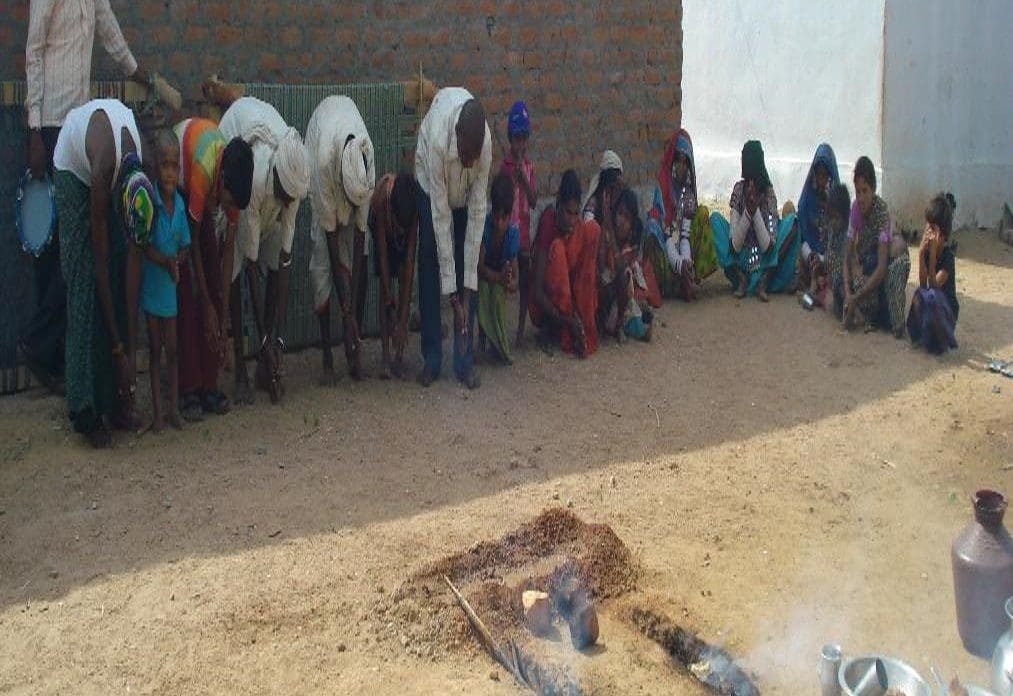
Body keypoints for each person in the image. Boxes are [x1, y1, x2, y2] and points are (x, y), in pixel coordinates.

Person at [22, 0, 151, 394]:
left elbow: (108, 29)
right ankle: (41, 350)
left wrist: (135, 70)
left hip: (80, 129)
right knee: (56, 252)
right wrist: (33, 130)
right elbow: (33, 52)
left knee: (73, 251)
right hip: (50, 127)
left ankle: (57, 353)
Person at [53, 99, 155, 448]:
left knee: (119, 265)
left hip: (106, 173)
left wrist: (130, 346)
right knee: (84, 284)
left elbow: (132, 263)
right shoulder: (103, 171)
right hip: (73, 170)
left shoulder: (143, 170)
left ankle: (116, 402)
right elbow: (98, 264)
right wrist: (118, 346)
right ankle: (85, 411)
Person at [215, 94, 310, 404]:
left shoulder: (292, 187)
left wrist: (277, 340)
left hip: (267, 188)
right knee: (237, 266)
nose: (287, 203)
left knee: (273, 262)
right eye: (284, 196)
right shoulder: (256, 179)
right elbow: (251, 268)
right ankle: (242, 366)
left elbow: (282, 264)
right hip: (237, 159)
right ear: (276, 179)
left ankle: (264, 364)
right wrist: (263, 338)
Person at [173, 117, 254, 421]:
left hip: (201, 201)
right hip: (181, 191)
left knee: (214, 295)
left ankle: (209, 384)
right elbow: (190, 242)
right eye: (226, 200)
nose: (226, 206)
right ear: (222, 182)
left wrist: (219, 311)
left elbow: (228, 251)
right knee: (188, 294)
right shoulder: (204, 173)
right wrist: (206, 304)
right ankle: (189, 389)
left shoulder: (234, 185)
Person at [414, 87, 492, 389]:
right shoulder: (437, 142)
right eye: (465, 156)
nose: (470, 163)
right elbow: (441, 218)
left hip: (463, 198)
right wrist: (454, 302)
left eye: (474, 158)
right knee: (432, 259)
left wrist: (466, 296)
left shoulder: (483, 147)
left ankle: (463, 360)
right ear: (457, 134)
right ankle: (432, 359)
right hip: (432, 188)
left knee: (464, 263)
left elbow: (475, 220)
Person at [306, 96, 377, 383]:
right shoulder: (324, 162)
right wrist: (343, 310)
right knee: (323, 262)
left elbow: (359, 239)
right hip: (320, 136)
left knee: (360, 259)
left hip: (344, 134)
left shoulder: (366, 156)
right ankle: (327, 355)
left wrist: (352, 317)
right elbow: (333, 240)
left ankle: (353, 346)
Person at [141, 131, 189, 432]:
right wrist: (167, 263)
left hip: (169, 288)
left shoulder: (180, 206)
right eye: (164, 166)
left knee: (172, 349)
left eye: (174, 166)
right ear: (156, 168)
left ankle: (173, 409)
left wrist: (178, 263)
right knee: (155, 349)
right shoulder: (150, 203)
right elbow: (143, 246)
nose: (169, 172)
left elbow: (185, 245)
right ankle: (157, 412)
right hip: (152, 286)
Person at [711, 140, 799, 301]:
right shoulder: (739, 190)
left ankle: (765, 280)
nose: (751, 184)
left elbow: (768, 246)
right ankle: (741, 279)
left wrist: (755, 211)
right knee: (715, 220)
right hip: (740, 258)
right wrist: (747, 213)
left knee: (792, 221)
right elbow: (735, 246)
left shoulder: (769, 194)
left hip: (765, 259)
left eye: (754, 178)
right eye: (748, 178)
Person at [529, 169, 601, 357]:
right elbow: (537, 292)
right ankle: (566, 328)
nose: (571, 219)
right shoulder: (548, 223)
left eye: (575, 213)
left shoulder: (576, 227)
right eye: (568, 213)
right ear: (558, 205)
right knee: (558, 249)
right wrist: (566, 320)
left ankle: (584, 323)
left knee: (592, 230)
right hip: (546, 309)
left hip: (569, 306)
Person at [837, 156, 909, 334]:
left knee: (878, 302)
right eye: (857, 191)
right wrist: (848, 292)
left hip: (874, 267)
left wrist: (856, 296)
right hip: (862, 266)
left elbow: (882, 267)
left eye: (865, 191)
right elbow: (847, 257)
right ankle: (859, 310)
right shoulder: (855, 210)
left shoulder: (882, 214)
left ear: (873, 190)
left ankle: (864, 312)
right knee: (839, 283)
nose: (860, 198)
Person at [644, 128, 717, 301]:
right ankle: (668, 284)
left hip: (684, 251)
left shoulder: (688, 193)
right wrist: (678, 263)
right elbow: (668, 234)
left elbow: (684, 235)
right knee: (652, 227)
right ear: (672, 161)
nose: (682, 167)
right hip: (666, 250)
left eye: (686, 162)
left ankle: (689, 278)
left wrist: (686, 262)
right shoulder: (662, 189)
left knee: (703, 213)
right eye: (678, 161)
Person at [371, 172, 419, 380]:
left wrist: (402, 321)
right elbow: (383, 258)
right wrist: (390, 304)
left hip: (400, 241)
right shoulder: (382, 200)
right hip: (381, 233)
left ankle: (399, 353)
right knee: (385, 290)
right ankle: (385, 356)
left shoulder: (413, 210)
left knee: (402, 276)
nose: (401, 230)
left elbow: (409, 267)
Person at [501, 101, 536, 348]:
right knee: (504, 282)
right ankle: (498, 330)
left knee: (524, 282)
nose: (520, 145)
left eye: (524, 139)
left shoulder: (529, 168)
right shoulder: (504, 167)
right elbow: (501, 199)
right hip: (506, 235)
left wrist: (524, 178)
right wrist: (514, 176)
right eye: (517, 139)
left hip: (524, 236)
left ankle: (521, 331)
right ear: (510, 139)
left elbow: (533, 200)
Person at [476, 172, 520, 364]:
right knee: (484, 290)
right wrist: (499, 278)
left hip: (498, 279)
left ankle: (498, 342)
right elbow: (479, 268)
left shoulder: (512, 235)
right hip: (484, 277)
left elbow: (515, 280)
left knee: (497, 294)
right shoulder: (484, 228)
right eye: (496, 216)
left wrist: (509, 281)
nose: (499, 222)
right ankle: (483, 336)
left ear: (510, 216)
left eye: (504, 218)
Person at [907, 193, 959, 354]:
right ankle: (919, 335)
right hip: (932, 305)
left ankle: (941, 341)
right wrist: (922, 254)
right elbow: (923, 287)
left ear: (942, 235)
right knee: (919, 295)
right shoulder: (927, 251)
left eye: (932, 229)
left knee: (933, 297)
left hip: (946, 310)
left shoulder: (948, 257)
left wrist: (932, 258)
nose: (928, 233)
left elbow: (934, 287)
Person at [796, 144, 840, 304]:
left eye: (825, 175)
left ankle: (812, 292)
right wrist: (810, 255)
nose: (821, 179)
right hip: (808, 257)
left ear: (830, 175)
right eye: (818, 174)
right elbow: (801, 233)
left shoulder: (836, 202)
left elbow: (838, 240)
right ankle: (811, 286)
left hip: (828, 261)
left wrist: (823, 259)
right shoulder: (807, 199)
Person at [614, 188, 658, 342]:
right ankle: (623, 327)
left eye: (627, 218)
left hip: (627, 299)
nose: (621, 221)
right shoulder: (607, 239)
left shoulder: (629, 248)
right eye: (620, 214)